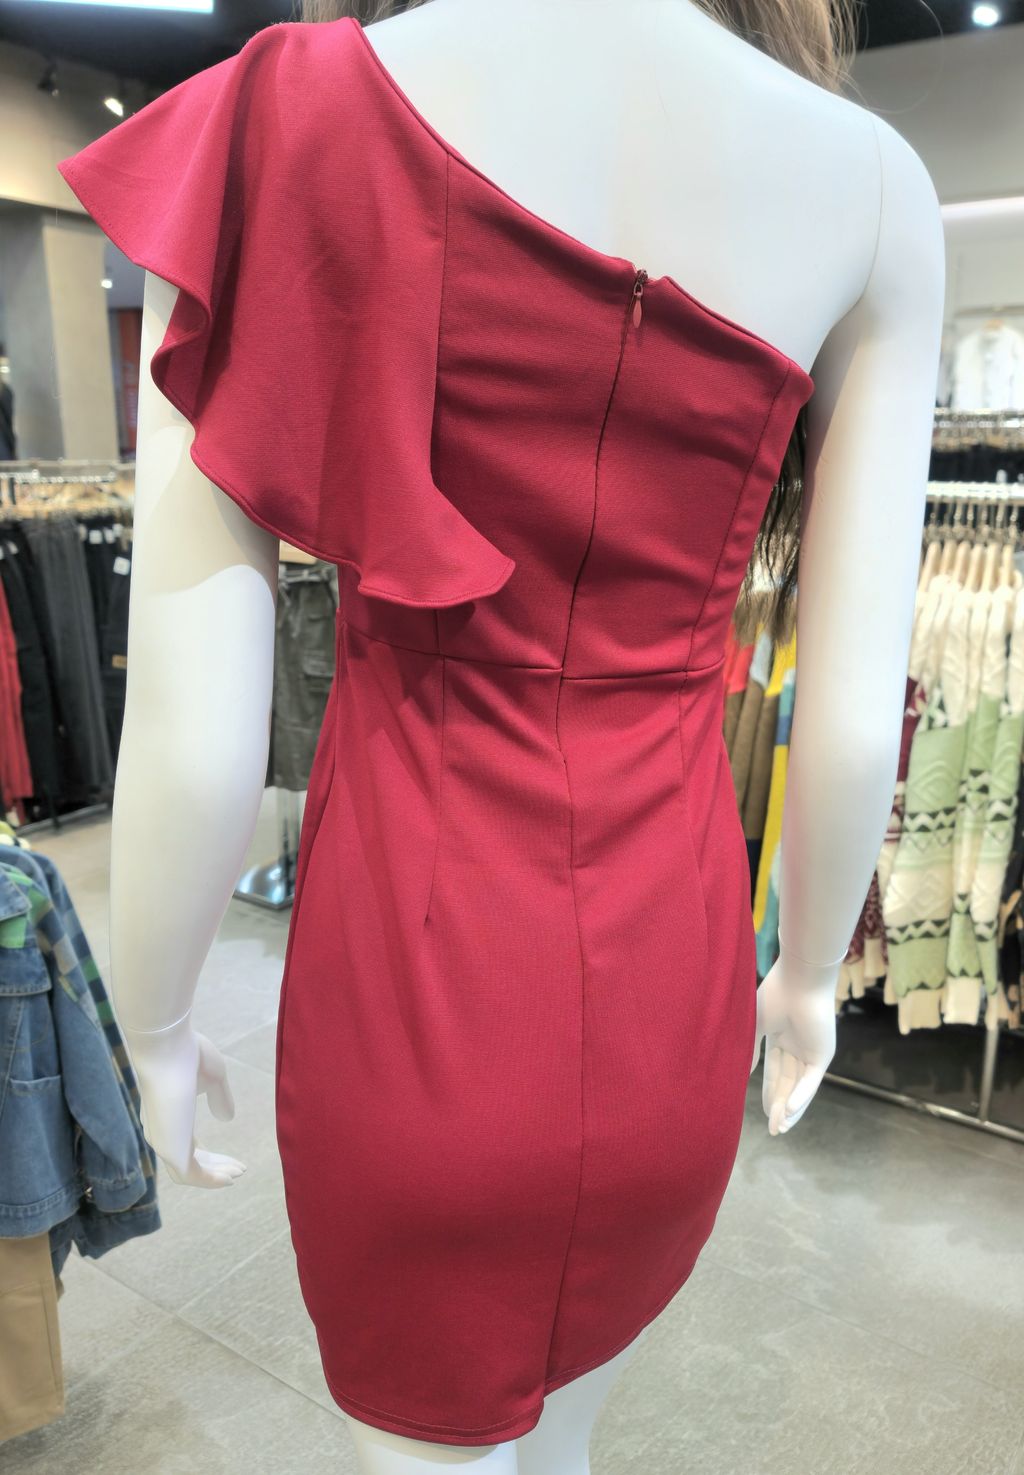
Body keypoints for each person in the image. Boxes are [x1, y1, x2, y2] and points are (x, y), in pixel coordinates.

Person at [56, 0, 944, 1470]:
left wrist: (154, 1012)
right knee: (566, 1435)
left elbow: (200, 723)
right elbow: (853, 728)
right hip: (672, 999)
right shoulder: (875, 187)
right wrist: (801, 981)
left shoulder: (283, 117)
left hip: (411, 998)